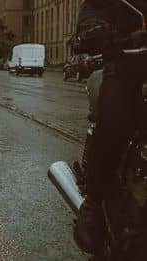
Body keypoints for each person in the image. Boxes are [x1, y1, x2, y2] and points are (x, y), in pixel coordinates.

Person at [74, 0, 147, 254]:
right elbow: (94, 10)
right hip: (129, 67)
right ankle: (93, 203)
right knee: (115, 117)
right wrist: (98, 31)